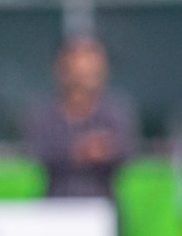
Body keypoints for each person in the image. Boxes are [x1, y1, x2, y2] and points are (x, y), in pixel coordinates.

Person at [22, 36, 136, 199]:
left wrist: (105, 150)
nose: (85, 74)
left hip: (103, 205)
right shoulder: (44, 113)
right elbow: (38, 151)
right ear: (62, 68)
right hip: (57, 206)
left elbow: (126, 150)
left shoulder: (115, 111)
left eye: (92, 67)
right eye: (79, 68)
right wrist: (78, 151)